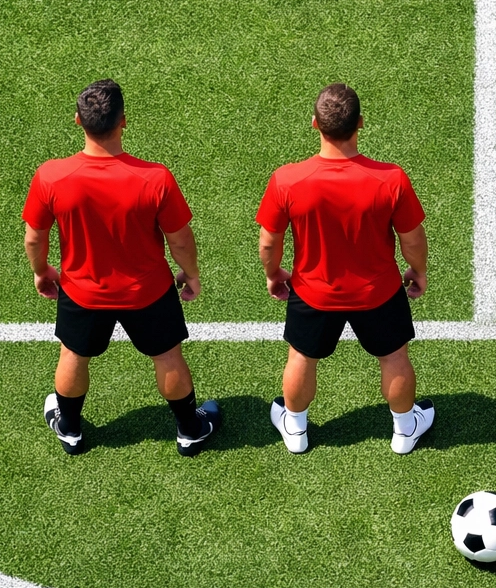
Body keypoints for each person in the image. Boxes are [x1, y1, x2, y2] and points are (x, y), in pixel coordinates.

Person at [22, 79, 221, 457]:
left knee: (73, 355)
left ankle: (71, 430)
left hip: (82, 291)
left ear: (77, 120)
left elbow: (34, 237)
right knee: (167, 356)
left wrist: (40, 270)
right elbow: (179, 239)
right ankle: (190, 429)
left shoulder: (51, 175)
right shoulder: (154, 178)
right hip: (147, 291)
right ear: (123, 121)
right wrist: (191, 274)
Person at [256, 83, 435, 455]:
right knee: (394, 356)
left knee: (301, 357)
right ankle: (404, 431)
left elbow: (269, 241)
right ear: (361, 123)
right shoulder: (391, 179)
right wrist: (417, 270)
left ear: (314, 124)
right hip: (379, 292)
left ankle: (295, 428)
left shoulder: (287, 179)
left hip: (313, 292)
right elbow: (412, 238)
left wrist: (274, 273)